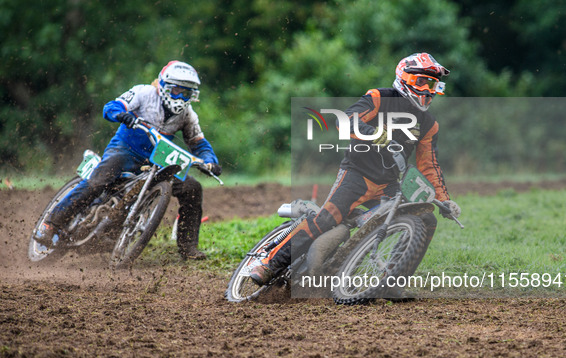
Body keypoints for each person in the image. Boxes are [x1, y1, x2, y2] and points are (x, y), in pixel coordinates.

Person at [250, 52, 461, 285]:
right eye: (422, 81)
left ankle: (393, 278)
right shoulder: (380, 97)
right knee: (327, 218)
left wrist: (444, 200)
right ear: (406, 78)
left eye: (432, 83)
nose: (428, 89)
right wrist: (373, 134)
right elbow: (346, 119)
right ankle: (269, 264)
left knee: (425, 218)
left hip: (389, 185)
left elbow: (429, 164)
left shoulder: (429, 123)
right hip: (356, 174)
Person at [34, 60, 222, 260]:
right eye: (177, 90)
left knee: (192, 188)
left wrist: (209, 161)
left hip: (157, 162)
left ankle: (188, 249)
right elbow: (111, 106)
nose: (180, 97)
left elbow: (199, 143)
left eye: (186, 93)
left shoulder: (187, 115)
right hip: (124, 150)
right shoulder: (144, 93)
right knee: (99, 181)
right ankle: (51, 224)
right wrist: (123, 115)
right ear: (164, 86)